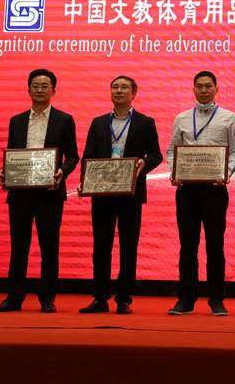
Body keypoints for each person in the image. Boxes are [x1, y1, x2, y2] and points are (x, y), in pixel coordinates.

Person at [0, 69, 79, 313]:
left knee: (49, 247)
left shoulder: (65, 120)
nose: (40, 89)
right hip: (20, 192)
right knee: (18, 246)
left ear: (54, 91)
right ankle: (14, 297)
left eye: (45, 86)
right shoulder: (16, 120)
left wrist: (62, 171)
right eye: (35, 85)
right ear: (28, 90)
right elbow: (12, 154)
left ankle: (47, 298)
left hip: (50, 192)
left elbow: (73, 156)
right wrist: (5, 171)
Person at [77, 75, 162, 315]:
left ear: (133, 94)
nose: (119, 90)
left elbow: (156, 155)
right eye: (115, 87)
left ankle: (124, 298)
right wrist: (86, 179)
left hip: (131, 193)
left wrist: (144, 164)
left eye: (124, 87)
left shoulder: (145, 122)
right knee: (101, 247)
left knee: (128, 246)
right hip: (102, 193)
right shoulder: (98, 122)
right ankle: (100, 298)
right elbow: (88, 155)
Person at [166, 71, 235, 316]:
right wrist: (174, 172)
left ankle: (217, 299)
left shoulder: (229, 118)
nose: (204, 90)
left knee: (215, 246)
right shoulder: (182, 118)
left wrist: (226, 173)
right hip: (187, 190)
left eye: (208, 86)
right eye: (199, 86)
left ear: (217, 89)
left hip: (215, 190)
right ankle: (186, 299)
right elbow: (171, 151)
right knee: (187, 246)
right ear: (193, 89)